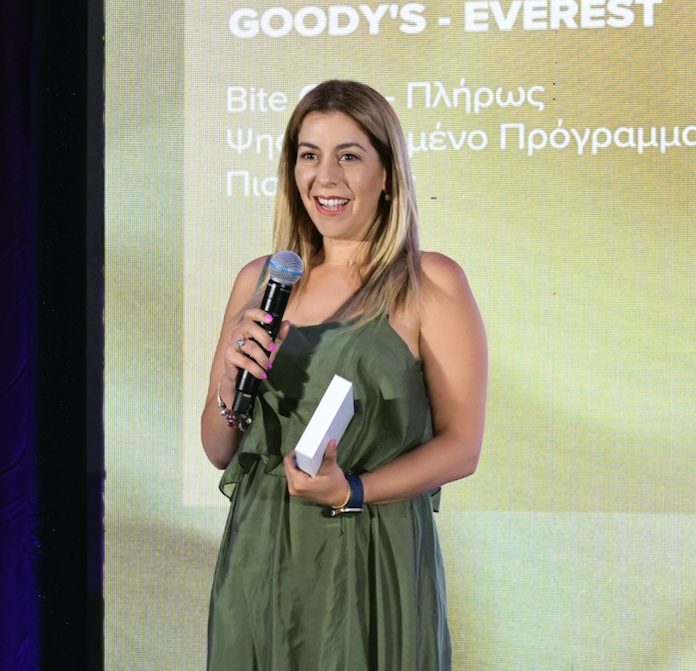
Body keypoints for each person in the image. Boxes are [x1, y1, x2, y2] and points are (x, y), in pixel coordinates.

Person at [201, 79, 487, 671]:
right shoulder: (260, 279)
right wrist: (230, 384)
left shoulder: (430, 281)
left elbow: (462, 446)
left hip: (371, 550)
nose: (324, 177)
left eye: (349, 156)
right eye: (309, 155)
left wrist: (352, 489)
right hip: (261, 552)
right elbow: (219, 447)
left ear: (387, 176)